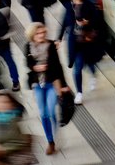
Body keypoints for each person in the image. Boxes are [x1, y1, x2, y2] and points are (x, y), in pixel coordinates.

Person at [25, 22, 69, 155]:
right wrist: (35, 67)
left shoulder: (50, 45)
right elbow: (27, 63)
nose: (41, 35)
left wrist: (63, 85)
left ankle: (55, 133)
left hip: (51, 83)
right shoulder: (28, 46)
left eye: (43, 32)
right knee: (43, 114)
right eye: (38, 33)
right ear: (33, 34)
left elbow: (58, 66)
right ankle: (51, 141)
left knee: (50, 112)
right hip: (38, 84)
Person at [57, 0, 104, 105]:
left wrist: (87, 23)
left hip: (87, 42)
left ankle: (93, 75)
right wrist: (58, 38)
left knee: (89, 62)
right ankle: (79, 93)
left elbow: (98, 23)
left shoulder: (90, 6)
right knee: (77, 68)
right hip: (75, 43)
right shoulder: (68, 6)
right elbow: (64, 22)